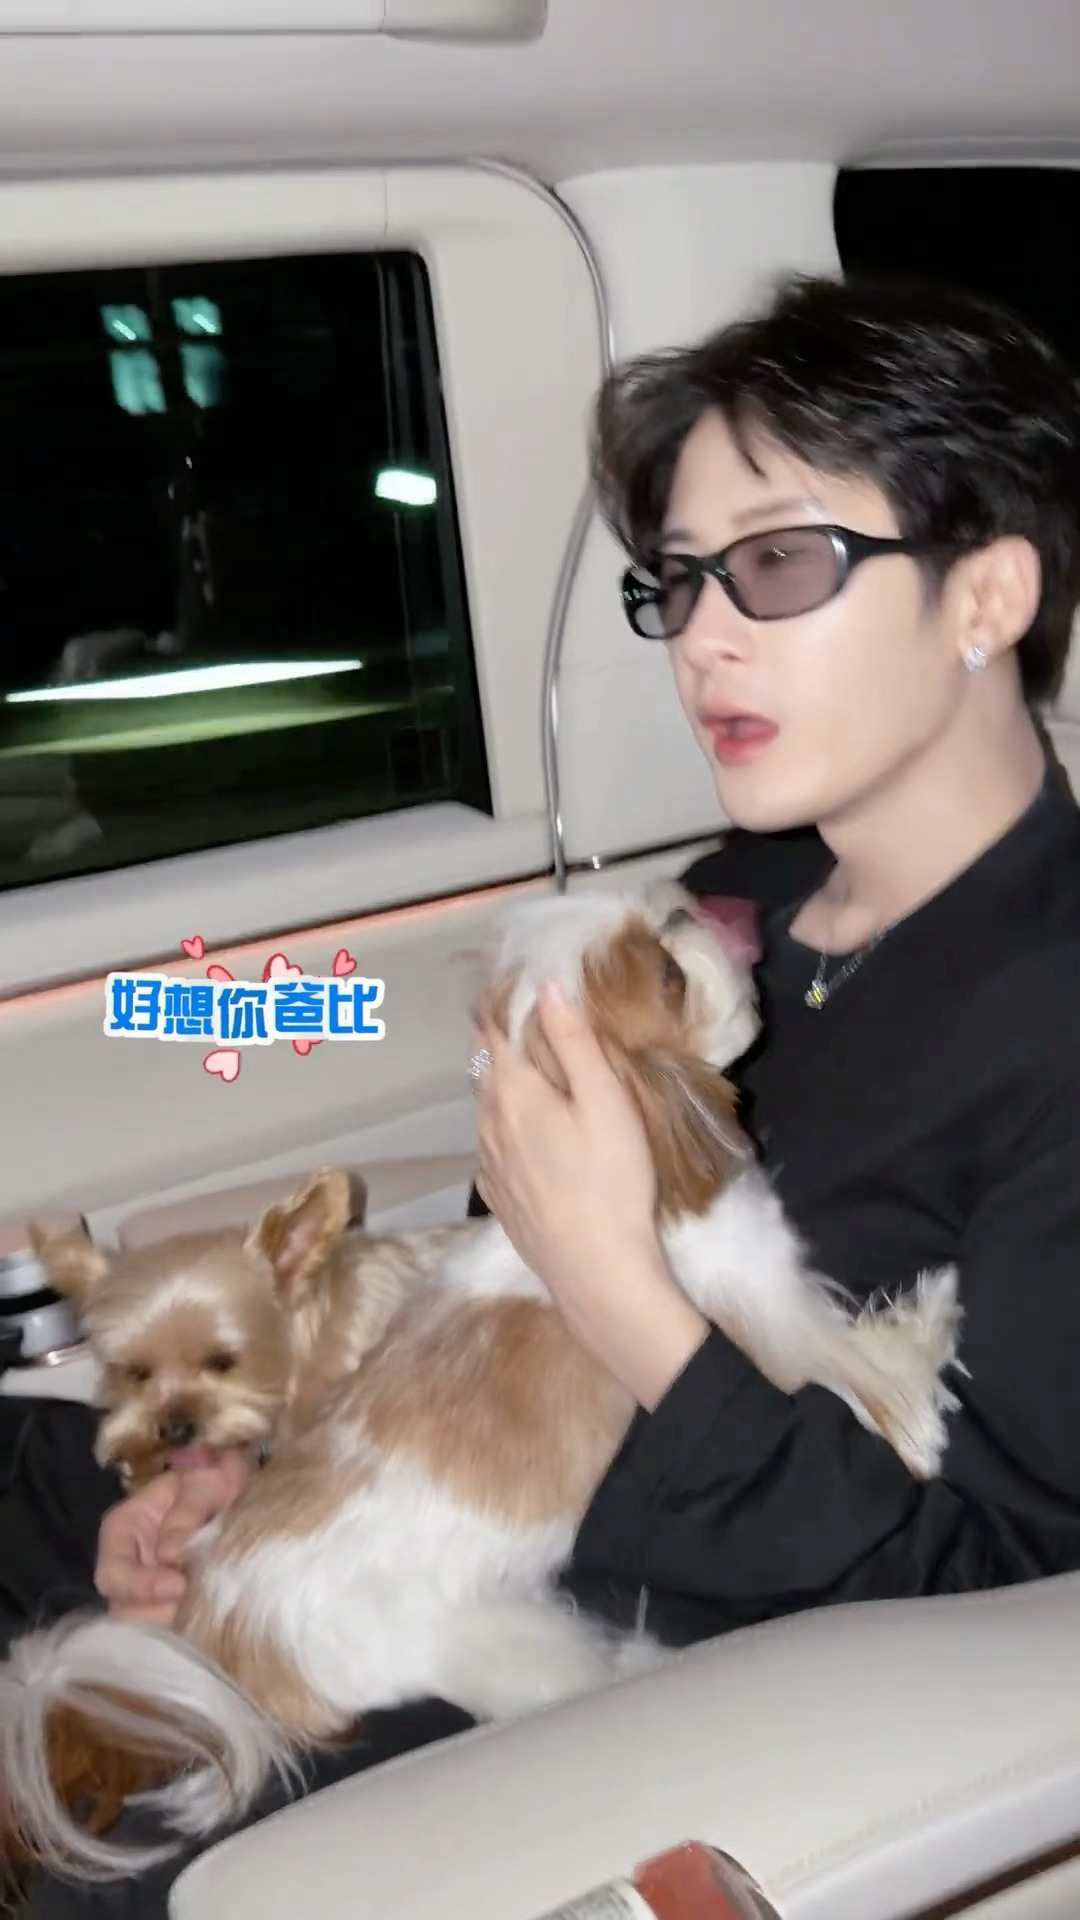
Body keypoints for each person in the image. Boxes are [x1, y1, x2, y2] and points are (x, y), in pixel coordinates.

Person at [7, 269, 1080, 1916]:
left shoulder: (1051, 1020)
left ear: (987, 593)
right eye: (681, 579)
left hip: (673, 1642)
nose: (703, 634)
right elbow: (492, 1309)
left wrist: (625, 1297)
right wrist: (276, 1476)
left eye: (779, 562)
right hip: (481, 1509)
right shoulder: (732, 900)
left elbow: (997, 1589)